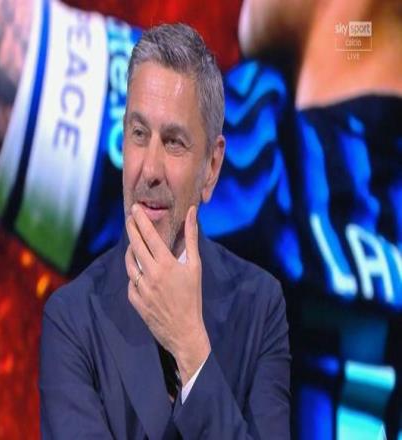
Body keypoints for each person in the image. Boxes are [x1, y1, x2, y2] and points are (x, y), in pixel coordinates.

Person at [39, 23, 291, 440]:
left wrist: (190, 347)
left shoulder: (261, 306)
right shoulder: (71, 319)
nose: (150, 169)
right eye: (139, 135)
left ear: (211, 167)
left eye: (174, 142)